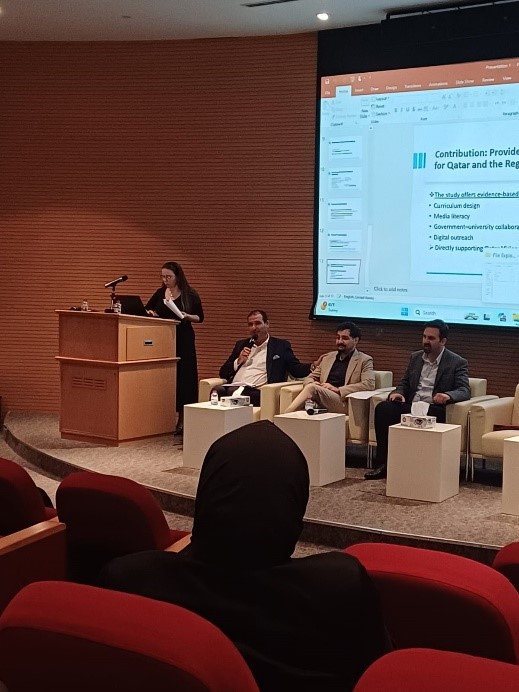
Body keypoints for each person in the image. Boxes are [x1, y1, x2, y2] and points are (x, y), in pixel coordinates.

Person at [99, 421, 390, 690]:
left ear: (207, 493)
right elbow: (381, 674)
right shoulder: (341, 587)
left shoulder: (129, 581)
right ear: (295, 505)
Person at [365, 319, 470, 480]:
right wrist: (398, 393)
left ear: (443, 341)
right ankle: (383, 464)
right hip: (411, 405)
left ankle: (426, 469)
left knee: (431, 414)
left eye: (431, 338)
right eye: (424, 337)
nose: (426, 341)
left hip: (433, 407)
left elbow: (464, 390)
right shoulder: (415, 357)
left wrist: (448, 395)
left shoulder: (456, 362)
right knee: (384, 409)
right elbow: (405, 383)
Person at [146, 261, 204, 435]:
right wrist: (152, 314)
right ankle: (163, 418)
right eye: (163, 276)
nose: (165, 280)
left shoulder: (190, 294)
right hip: (164, 338)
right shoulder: (160, 293)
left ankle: (183, 420)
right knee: (166, 376)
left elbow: (200, 317)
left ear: (178, 276)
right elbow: (147, 309)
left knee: (184, 377)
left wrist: (187, 315)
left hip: (183, 338)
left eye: (169, 276)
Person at [216, 309, 312, 406]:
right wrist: (238, 361)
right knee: (217, 390)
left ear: (267, 324)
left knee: (235, 392)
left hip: (257, 391)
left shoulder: (280, 346)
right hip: (234, 387)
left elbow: (295, 369)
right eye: (250, 324)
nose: (254, 328)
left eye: (258, 323)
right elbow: (223, 373)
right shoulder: (241, 345)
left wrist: (313, 366)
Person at [284, 321, 375, 414]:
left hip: (343, 401)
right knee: (311, 388)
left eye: (344, 338)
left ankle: (283, 416)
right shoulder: (328, 357)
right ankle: (287, 417)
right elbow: (310, 377)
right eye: (338, 338)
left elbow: (369, 384)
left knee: (312, 389)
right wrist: (313, 383)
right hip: (323, 396)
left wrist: (338, 390)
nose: (340, 341)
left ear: (356, 340)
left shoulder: (364, 360)